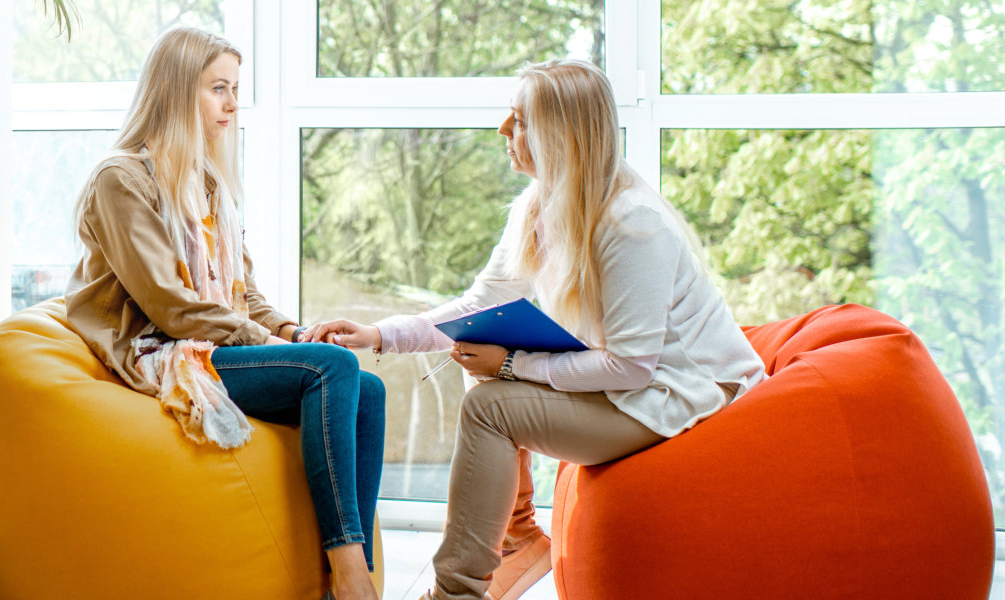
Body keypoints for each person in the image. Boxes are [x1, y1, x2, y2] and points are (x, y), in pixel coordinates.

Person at [309, 58, 767, 600]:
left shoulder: (632, 223)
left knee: (490, 404)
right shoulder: (537, 206)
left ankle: (455, 592)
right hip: (635, 387)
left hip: (679, 396)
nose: (504, 130)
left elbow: (632, 366)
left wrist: (510, 364)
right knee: (477, 353)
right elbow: (477, 304)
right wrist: (379, 335)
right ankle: (519, 535)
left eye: (520, 120)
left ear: (561, 134)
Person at [62, 25, 388, 600]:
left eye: (234, 89)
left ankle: (343, 565)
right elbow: (169, 306)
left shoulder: (206, 183)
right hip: (163, 353)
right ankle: (351, 576)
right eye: (219, 88)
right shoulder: (122, 179)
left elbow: (245, 293)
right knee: (331, 370)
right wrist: (264, 342)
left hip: (213, 345)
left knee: (368, 386)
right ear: (176, 90)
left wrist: (292, 331)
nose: (233, 104)